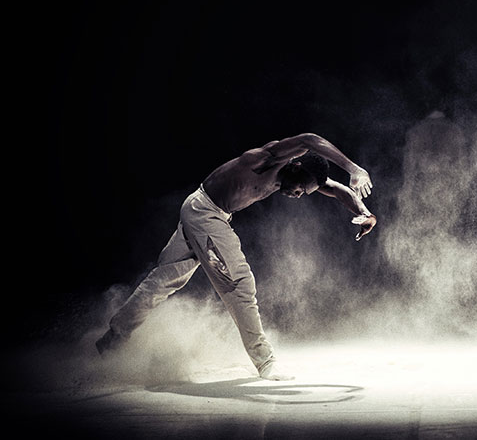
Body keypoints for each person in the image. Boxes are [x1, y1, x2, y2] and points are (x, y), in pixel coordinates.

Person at [95, 133, 376, 380]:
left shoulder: (294, 178)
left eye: (305, 192)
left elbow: (339, 190)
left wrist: (364, 213)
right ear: (296, 165)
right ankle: (265, 362)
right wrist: (353, 168)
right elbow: (309, 140)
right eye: (301, 187)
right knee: (240, 284)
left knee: (164, 279)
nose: (299, 194)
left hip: (199, 209)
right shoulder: (266, 159)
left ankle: (113, 338)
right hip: (206, 213)